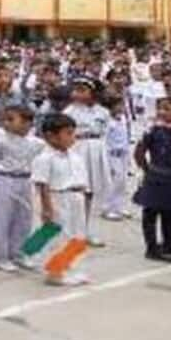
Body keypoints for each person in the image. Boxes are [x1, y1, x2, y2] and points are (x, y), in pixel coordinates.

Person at [31, 113, 90, 287]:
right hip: (58, 198)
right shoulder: (45, 158)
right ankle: (54, 273)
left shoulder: (74, 156)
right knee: (58, 238)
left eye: (73, 133)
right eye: (68, 133)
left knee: (76, 235)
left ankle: (69, 267)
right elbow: (43, 185)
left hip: (74, 198)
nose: (73, 138)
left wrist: (83, 200)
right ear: (50, 136)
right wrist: (47, 208)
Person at [133, 94, 171, 263]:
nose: (162, 112)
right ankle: (151, 248)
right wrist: (147, 170)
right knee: (151, 213)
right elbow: (139, 151)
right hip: (157, 177)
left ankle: (169, 244)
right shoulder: (154, 130)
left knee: (170, 213)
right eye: (160, 108)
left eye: (167, 109)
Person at [0, 105, 41, 272]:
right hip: (4, 179)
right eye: (5, 119)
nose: (6, 123)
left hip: (25, 180)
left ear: (28, 123)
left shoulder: (37, 143)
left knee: (24, 218)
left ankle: (20, 253)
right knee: (1, 218)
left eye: (11, 119)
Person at [63, 78, 111, 247]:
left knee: (91, 193)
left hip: (96, 150)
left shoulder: (103, 112)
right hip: (78, 149)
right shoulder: (70, 111)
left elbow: (105, 132)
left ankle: (87, 231)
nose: (77, 93)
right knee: (77, 191)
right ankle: (73, 231)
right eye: (75, 89)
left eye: (82, 90)